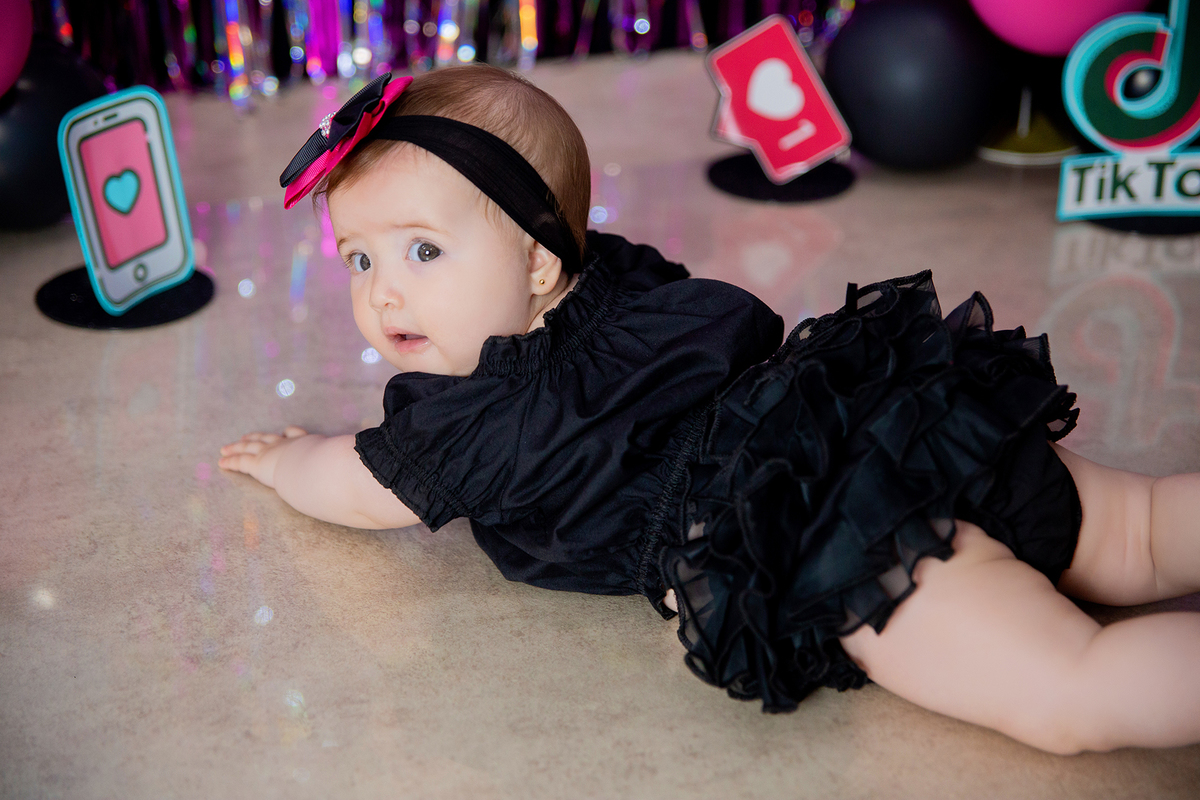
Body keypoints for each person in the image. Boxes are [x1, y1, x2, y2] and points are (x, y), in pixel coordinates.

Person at [219, 65, 1200, 755]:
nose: (383, 292)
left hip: (819, 536)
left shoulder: (477, 422)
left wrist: (290, 456)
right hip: (896, 409)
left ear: (535, 261)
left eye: (421, 250)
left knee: (1075, 688)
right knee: (1152, 529)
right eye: (359, 258)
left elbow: (355, 481)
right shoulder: (618, 279)